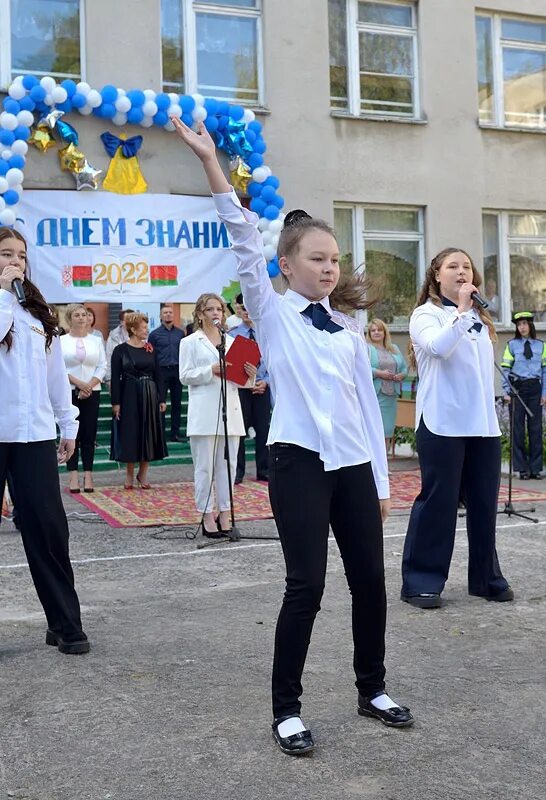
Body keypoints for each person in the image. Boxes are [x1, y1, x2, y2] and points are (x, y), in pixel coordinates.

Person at [175, 116, 412, 757]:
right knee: (306, 584)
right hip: (297, 462)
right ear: (288, 264)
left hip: (354, 463)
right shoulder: (274, 313)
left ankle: (373, 689)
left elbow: (364, 403)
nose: (330, 268)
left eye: (335, 259)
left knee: (369, 579)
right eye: (317, 258)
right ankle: (287, 709)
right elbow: (242, 240)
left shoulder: (349, 328)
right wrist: (210, 164)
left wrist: (383, 481)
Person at [0, 226, 89, 667]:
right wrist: (5, 297)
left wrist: (68, 423)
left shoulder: (37, 312)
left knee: (49, 529)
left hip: (33, 435)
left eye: (22, 255)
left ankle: (64, 624)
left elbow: (53, 375)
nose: (16, 262)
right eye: (7, 254)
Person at [401, 247, 512, 610]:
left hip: (481, 423)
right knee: (439, 503)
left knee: (483, 504)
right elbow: (437, 348)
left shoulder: (480, 319)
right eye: (453, 266)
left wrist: (469, 313)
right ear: (436, 275)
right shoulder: (425, 315)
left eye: (467, 265)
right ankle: (421, 581)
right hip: (442, 422)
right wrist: (463, 313)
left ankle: (485, 578)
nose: (462, 271)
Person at [179, 292, 245, 538]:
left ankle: (226, 513)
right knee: (205, 467)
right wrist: (211, 369)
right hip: (204, 412)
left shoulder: (233, 342)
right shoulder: (190, 342)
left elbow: (241, 381)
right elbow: (184, 375)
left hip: (231, 411)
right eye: (210, 309)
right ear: (199, 314)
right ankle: (207, 514)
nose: (216, 313)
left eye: (219, 309)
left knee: (228, 467)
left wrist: (248, 373)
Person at [110, 311, 168, 489]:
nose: (146, 330)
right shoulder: (120, 350)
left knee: (148, 434)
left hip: (149, 395)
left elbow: (158, 375)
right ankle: (128, 474)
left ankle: (143, 474)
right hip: (128, 395)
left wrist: (161, 398)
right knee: (130, 434)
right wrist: (116, 403)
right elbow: (115, 377)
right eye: (143, 327)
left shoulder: (150, 349)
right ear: (133, 330)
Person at [60, 304, 107, 493]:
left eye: (84, 315)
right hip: (69, 390)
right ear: (70, 318)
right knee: (73, 433)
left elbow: (102, 366)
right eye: (77, 315)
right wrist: (79, 383)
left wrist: (90, 384)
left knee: (89, 434)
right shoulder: (61, 341)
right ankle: (73, 476)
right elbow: (58, 368)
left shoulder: (95, 341)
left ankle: (88, 474)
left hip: (92, 390)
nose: (81, 318)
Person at [500, 311, 546, 480]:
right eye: (519, 324)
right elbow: (506, 370)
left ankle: (535, 469)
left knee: (536, 429)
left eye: (524, 323)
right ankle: (521, 469)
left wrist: (545, 393)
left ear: (530, 325)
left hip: (535, 388)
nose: (521, 327)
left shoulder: (541, 346)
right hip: (518, 388)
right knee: (518, 430)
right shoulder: (511, 345)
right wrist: (507, 392)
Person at [229, 293, 271, 483]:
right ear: (238, 309)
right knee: (240, 430)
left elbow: (276, 362)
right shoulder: (232, 334)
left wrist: (266, 381)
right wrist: (247, 382)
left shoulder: (268, 333)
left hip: (262, 387)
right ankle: (238, 471)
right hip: (241, 389)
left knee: (263, 431)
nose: (246, 312)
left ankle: (264, 470)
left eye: (249, 308)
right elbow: (230, 365)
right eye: (243, 308)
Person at [365, 317, 407, 457]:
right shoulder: (367, 348)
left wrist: (401, 375)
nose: (376, 332)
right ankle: (374, 464)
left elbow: (404, 368)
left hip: (391, 396)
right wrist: (378, 373)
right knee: (375, 431)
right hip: (375, 395)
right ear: (369, 333)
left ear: (385, 332)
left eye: (379, 330)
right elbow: (360, 369)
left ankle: (384, 464)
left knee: (388, 430)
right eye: (373, 330)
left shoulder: (393, 348)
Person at [147, 304, 186, 443]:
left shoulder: (180, 333)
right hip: (161, 372)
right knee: (160, 403)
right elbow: (150, 355)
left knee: (177, 404)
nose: (168, 314)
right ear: (160, 316)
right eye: (165, 313)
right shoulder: (154, 335)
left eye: (170, 312)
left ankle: (175, 433)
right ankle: (160, 435)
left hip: (177, 371)